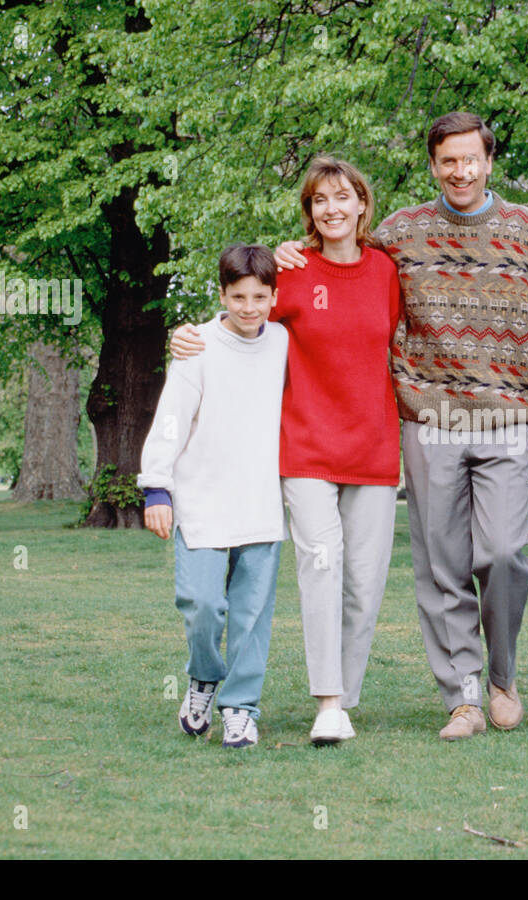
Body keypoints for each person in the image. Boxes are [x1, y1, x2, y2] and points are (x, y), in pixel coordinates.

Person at [264, 112, 528, 740]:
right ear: (433, 165)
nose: (461, 171)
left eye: (471, 159)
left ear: (489, 161)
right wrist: (292, 250)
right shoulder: (402, 233)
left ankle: (503, 677)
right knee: (441, 564)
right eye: (448, 160)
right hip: (428, 420)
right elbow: (341, 257)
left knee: (503, 554)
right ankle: (464, 696)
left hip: (508, 420)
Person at [168, 157, 402, 746]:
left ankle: (345, 697)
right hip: (305, 450)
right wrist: (189, 332)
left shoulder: (386, 272)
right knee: (320, 570)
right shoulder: (293, 273)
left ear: (362, 205)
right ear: (309, 212)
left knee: (364, 583)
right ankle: (326, 703)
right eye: (320, 200)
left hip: (374, 449)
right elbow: (242, 312)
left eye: (343, 197)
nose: (333, 208)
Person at [139, 244, 289, 748]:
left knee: (250, 617)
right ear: (222, 294)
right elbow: (171, 420)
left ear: (273, 297)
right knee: (203, 605)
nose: (249, 308)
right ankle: (203, 676)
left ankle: (241, 708)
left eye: (260, 297)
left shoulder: (284, 342)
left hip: (261, 504)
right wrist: (157, 487)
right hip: (202, 503)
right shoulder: (197, 345)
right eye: (238, 297)